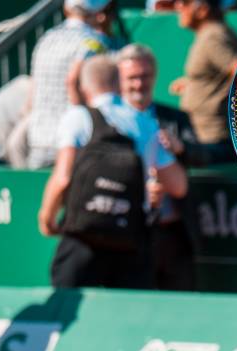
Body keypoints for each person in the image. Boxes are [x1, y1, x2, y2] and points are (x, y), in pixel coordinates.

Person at [38, 55, 188, 289]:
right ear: (119, 83)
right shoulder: (145, 123)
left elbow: (62, 177)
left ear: (84, 86)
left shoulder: (77, 117)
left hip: (83, 237)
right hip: (132, 238)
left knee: (65, 310)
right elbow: (178, 186)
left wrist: (47, 218)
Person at [117, 43, 205, 290]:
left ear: (154, 76)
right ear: (119, 79)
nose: (138, 84)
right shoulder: (110, 122)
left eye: (144, 76)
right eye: (131, 78)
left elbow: (205, 155)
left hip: (176, 232)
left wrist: (181, 149)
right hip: (131, 233)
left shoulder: (175, 119)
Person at [26, 0, 116, 169]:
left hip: (38, 139)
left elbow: (33, 91)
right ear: (100, 14)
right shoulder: (94, 43)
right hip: (70, 141)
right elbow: (73, 80)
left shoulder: (46, 38)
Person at [170, 0, 237, 161]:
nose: (177, 6)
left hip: (213, 139)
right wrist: (191, 83)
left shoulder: (212, 37)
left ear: (202, 9)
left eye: (184, 3)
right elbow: (220, 76)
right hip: (205, 135)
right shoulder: (212, 33)